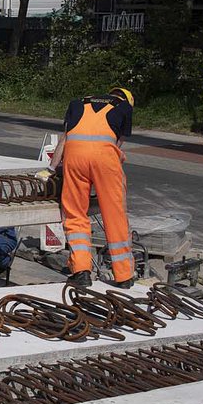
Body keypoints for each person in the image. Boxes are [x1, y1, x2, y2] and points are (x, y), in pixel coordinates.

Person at [38, 87, 135, 288]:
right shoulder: (124, 108)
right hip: (105, 161)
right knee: (114, 215)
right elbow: (117, 145)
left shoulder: (78, 103)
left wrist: (51, 168)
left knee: (74, 214)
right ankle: (124, 275)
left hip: (74, 159)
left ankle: (81, 271)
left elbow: (64, 140)